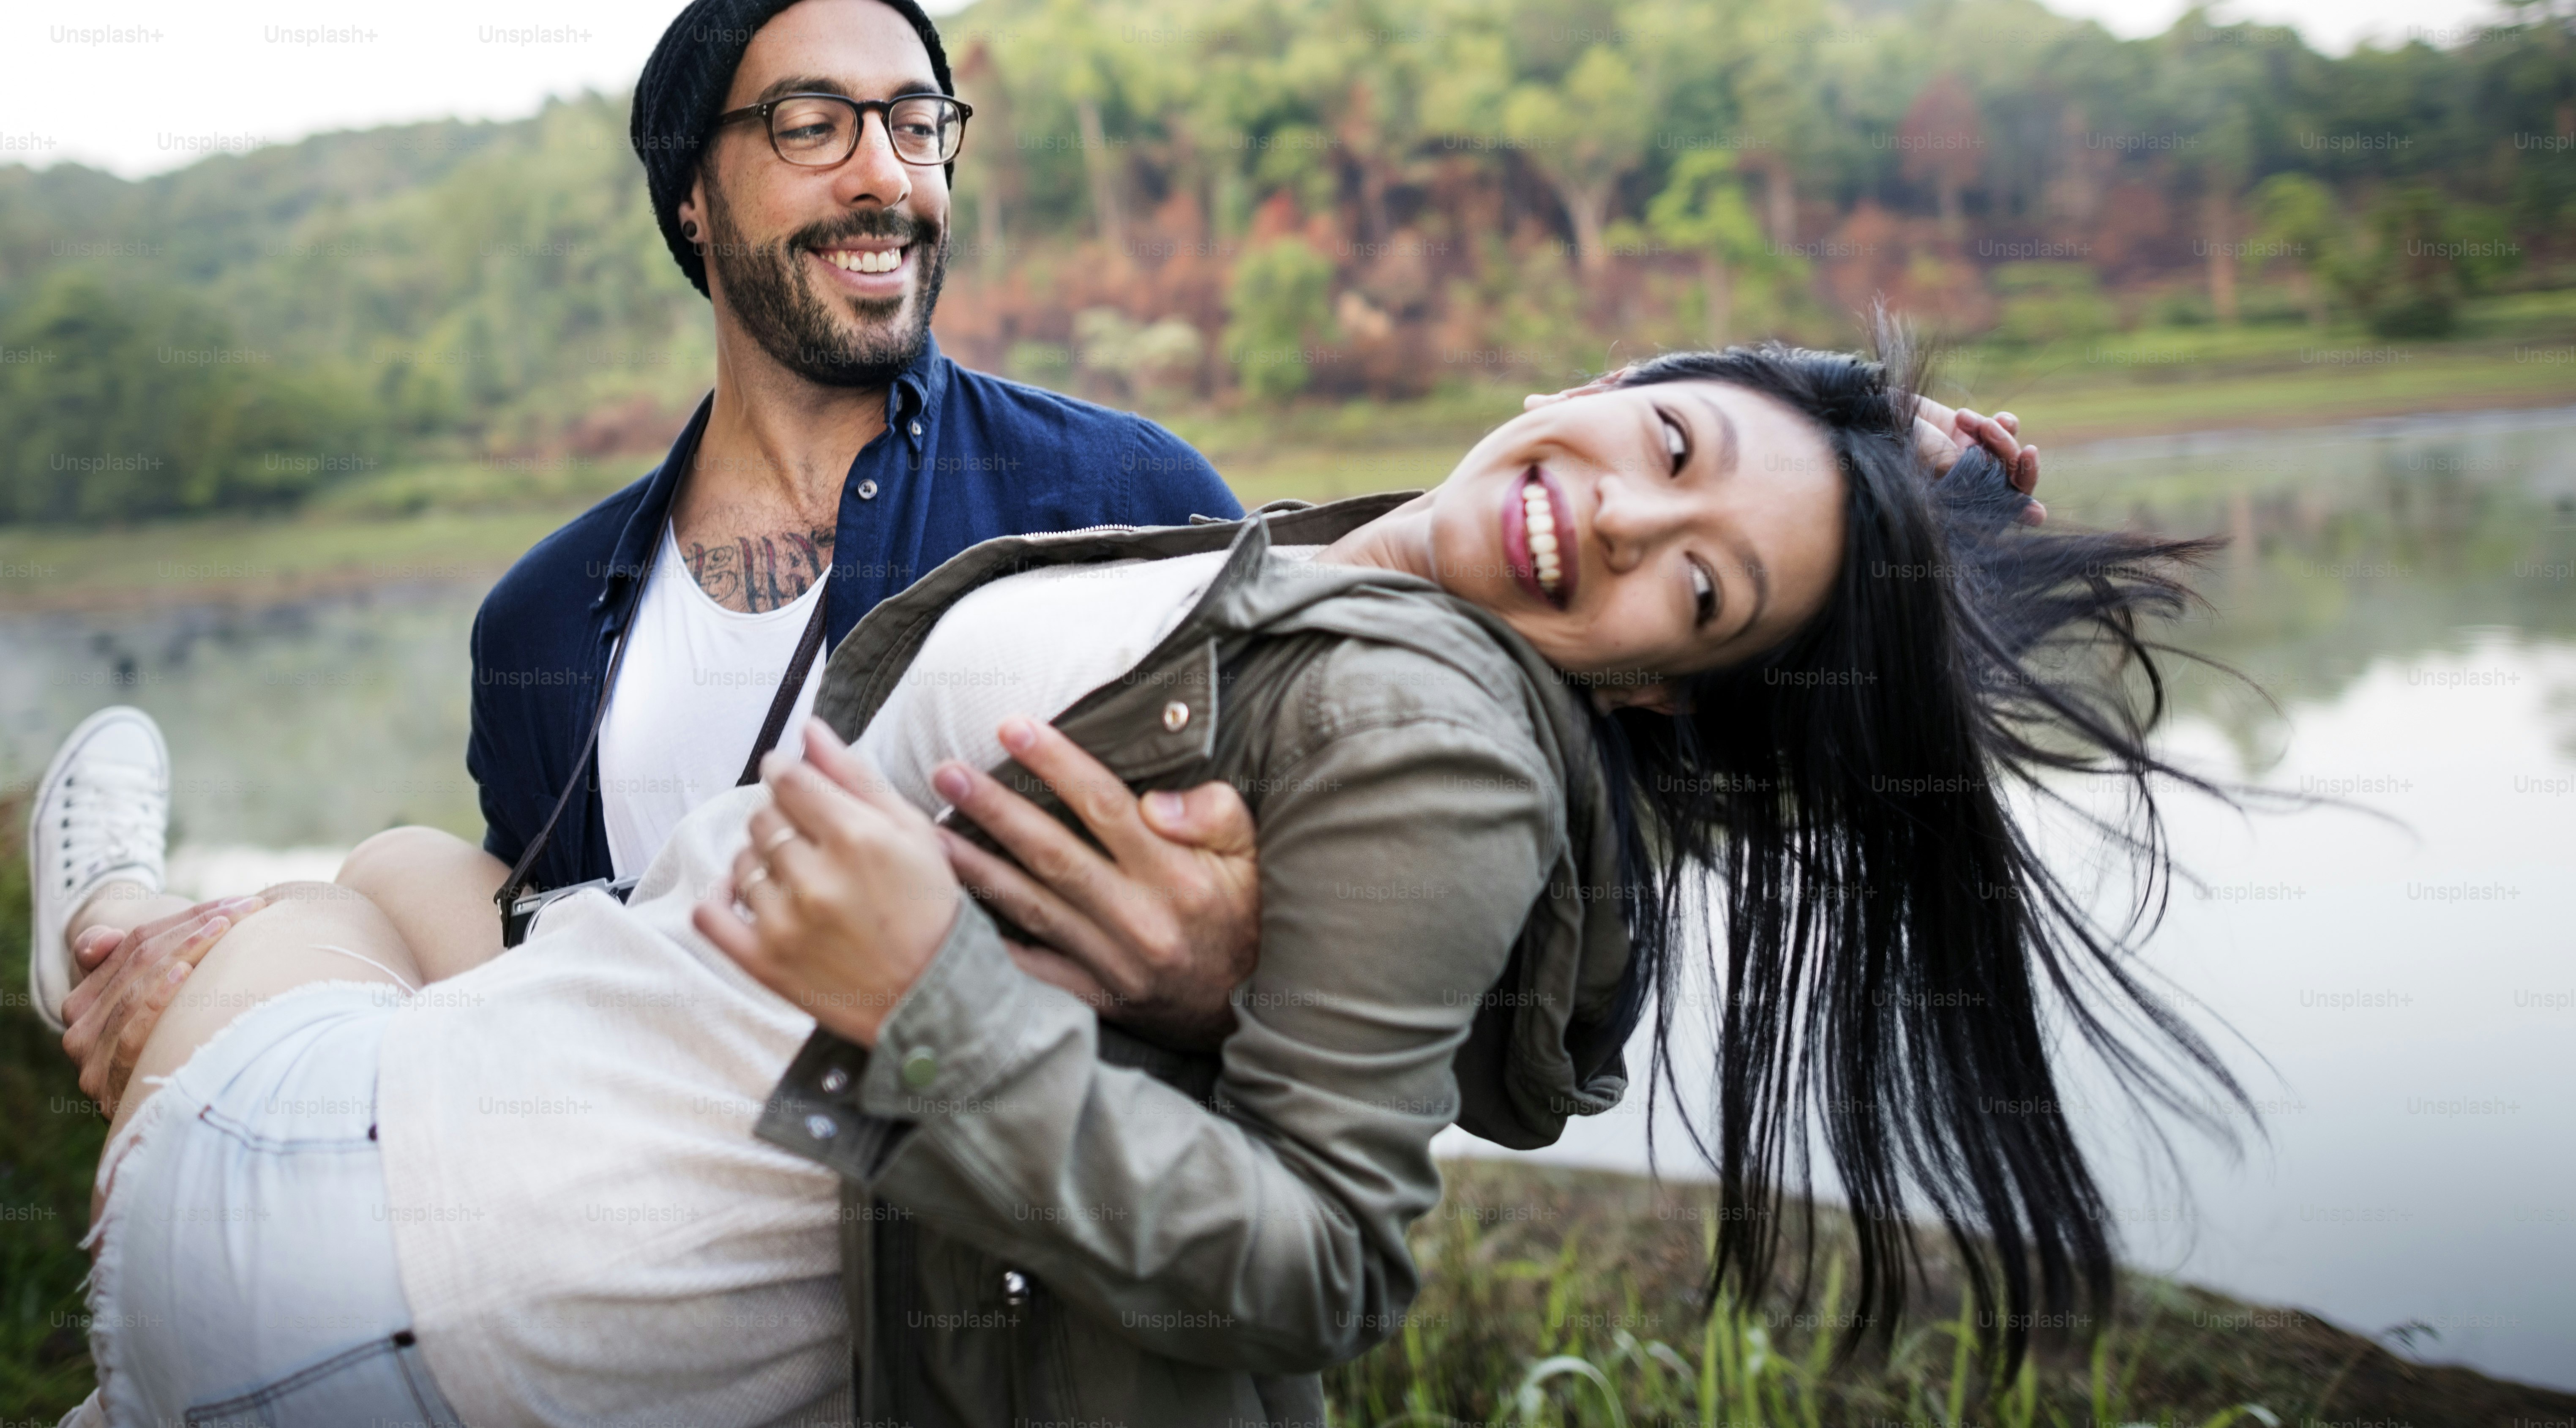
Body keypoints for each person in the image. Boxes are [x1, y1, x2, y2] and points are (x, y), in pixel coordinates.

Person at [32, 337, 2150, 1428]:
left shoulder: (1421, 711)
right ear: (1598, 381)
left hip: (392, 1278)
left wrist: (927, 985)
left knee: (273, 930)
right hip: (462, 1271)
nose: (1609, 519)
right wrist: (1899, 490)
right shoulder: (1320, 580)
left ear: (1682, 692)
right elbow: (1540, 892)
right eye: (1668, 443)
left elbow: (1335, 1253)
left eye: (1699, 584)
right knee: (420, 870)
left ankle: (112, 941)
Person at [41, 0, 1286, 1108]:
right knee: (389, 888)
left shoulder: (1123, 499)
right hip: (634, 1224)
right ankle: (129, 928)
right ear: (691, 193)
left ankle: (113, 913)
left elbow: (1328, 901)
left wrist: (1217, 971)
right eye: (813, 125)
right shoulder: (540, 619)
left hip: (967, 1256)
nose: (884, 176)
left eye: (917, 124)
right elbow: (521, 996)